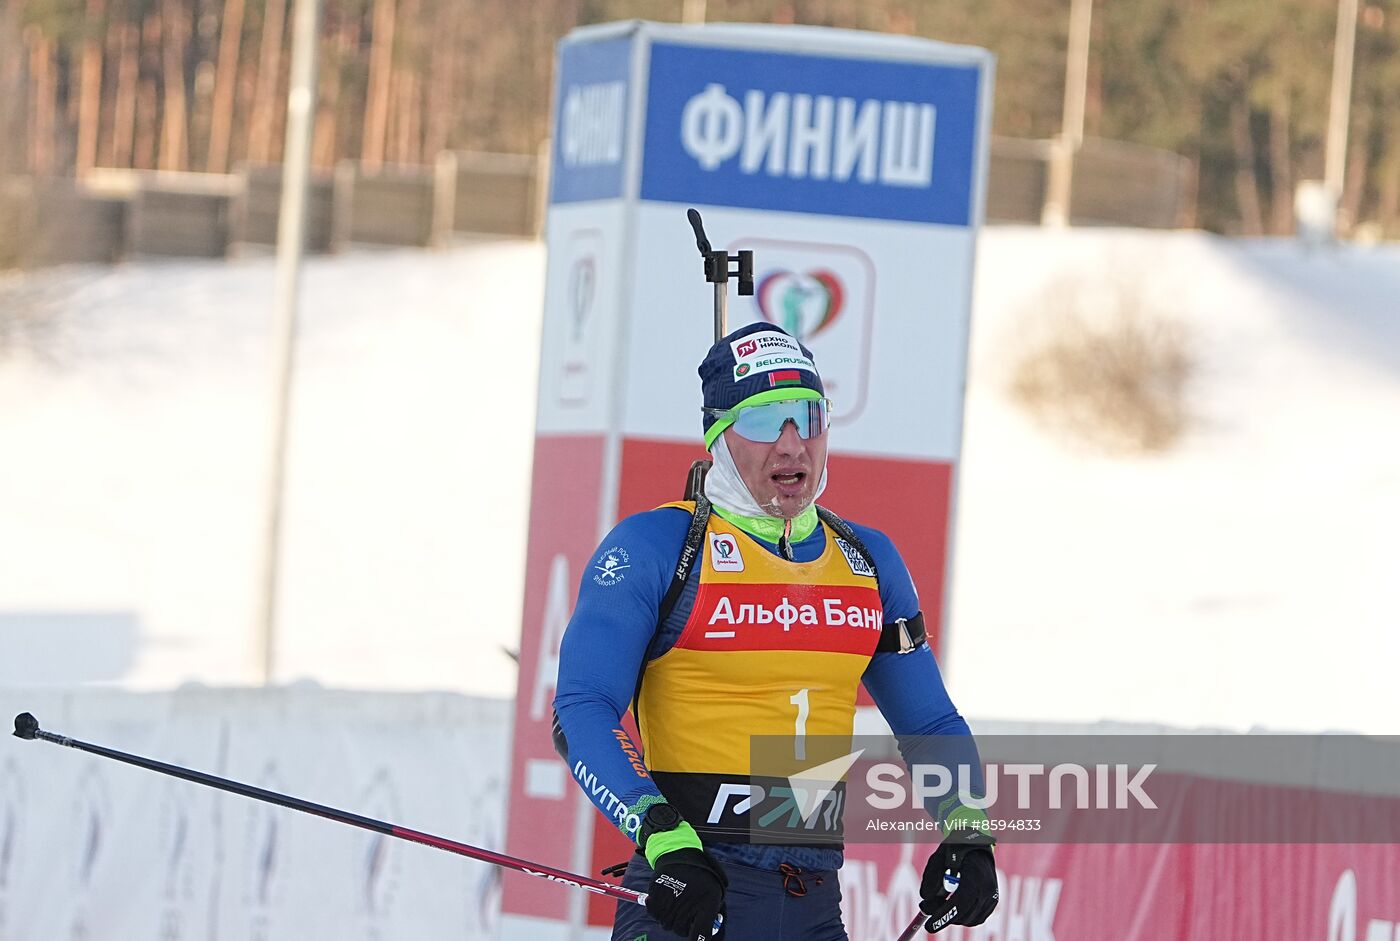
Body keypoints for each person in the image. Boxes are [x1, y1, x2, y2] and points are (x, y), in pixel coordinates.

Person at [553, 323, 999, 940]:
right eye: (763, 421)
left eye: (807, 417)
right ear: (717, 435)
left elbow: (930, 725)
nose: (792, 445)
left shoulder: (866, 559)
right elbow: (581, 710)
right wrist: (661, 834)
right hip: (693, 892)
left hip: (813, 905)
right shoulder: (659, 547)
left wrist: (968, 833)